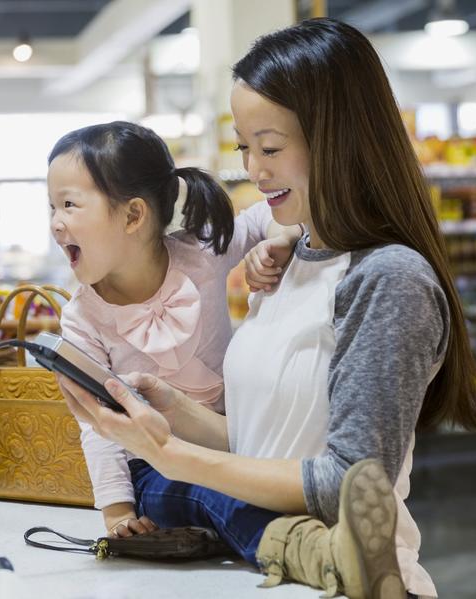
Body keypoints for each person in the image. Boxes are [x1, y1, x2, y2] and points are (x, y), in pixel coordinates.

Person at [57, 19, 476, 599]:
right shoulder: (286, 261)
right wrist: (175, 411)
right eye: (244, 147)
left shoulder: (389, 279)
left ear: (338, 138)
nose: (254, 170)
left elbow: (351, 483)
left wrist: (173, 456)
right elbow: (266, 446)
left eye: (271, 147)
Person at [48, 121, 302, 538]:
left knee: (265, 481)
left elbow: (264, 216)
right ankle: (294, 545)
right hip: (153, 466)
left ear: (133, 215)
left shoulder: (200, 253)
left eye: (70, 205)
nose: (56, 224)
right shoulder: (82, 319)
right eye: (52, 208)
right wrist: (117, 512)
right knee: (205, 495)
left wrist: (281, 239)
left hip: (233, 441)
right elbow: (98, 426)